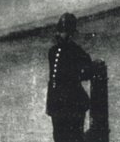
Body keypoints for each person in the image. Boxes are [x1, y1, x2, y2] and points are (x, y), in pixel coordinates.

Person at [46, 13, 94, 142]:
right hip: (60, 103)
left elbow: (89, 71)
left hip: (70, 103)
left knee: (72, 137)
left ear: (70, 34)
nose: (60, 35)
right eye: (60, 32)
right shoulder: (63, 51)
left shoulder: (73, 51)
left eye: (63, 32)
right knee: (60, 136)